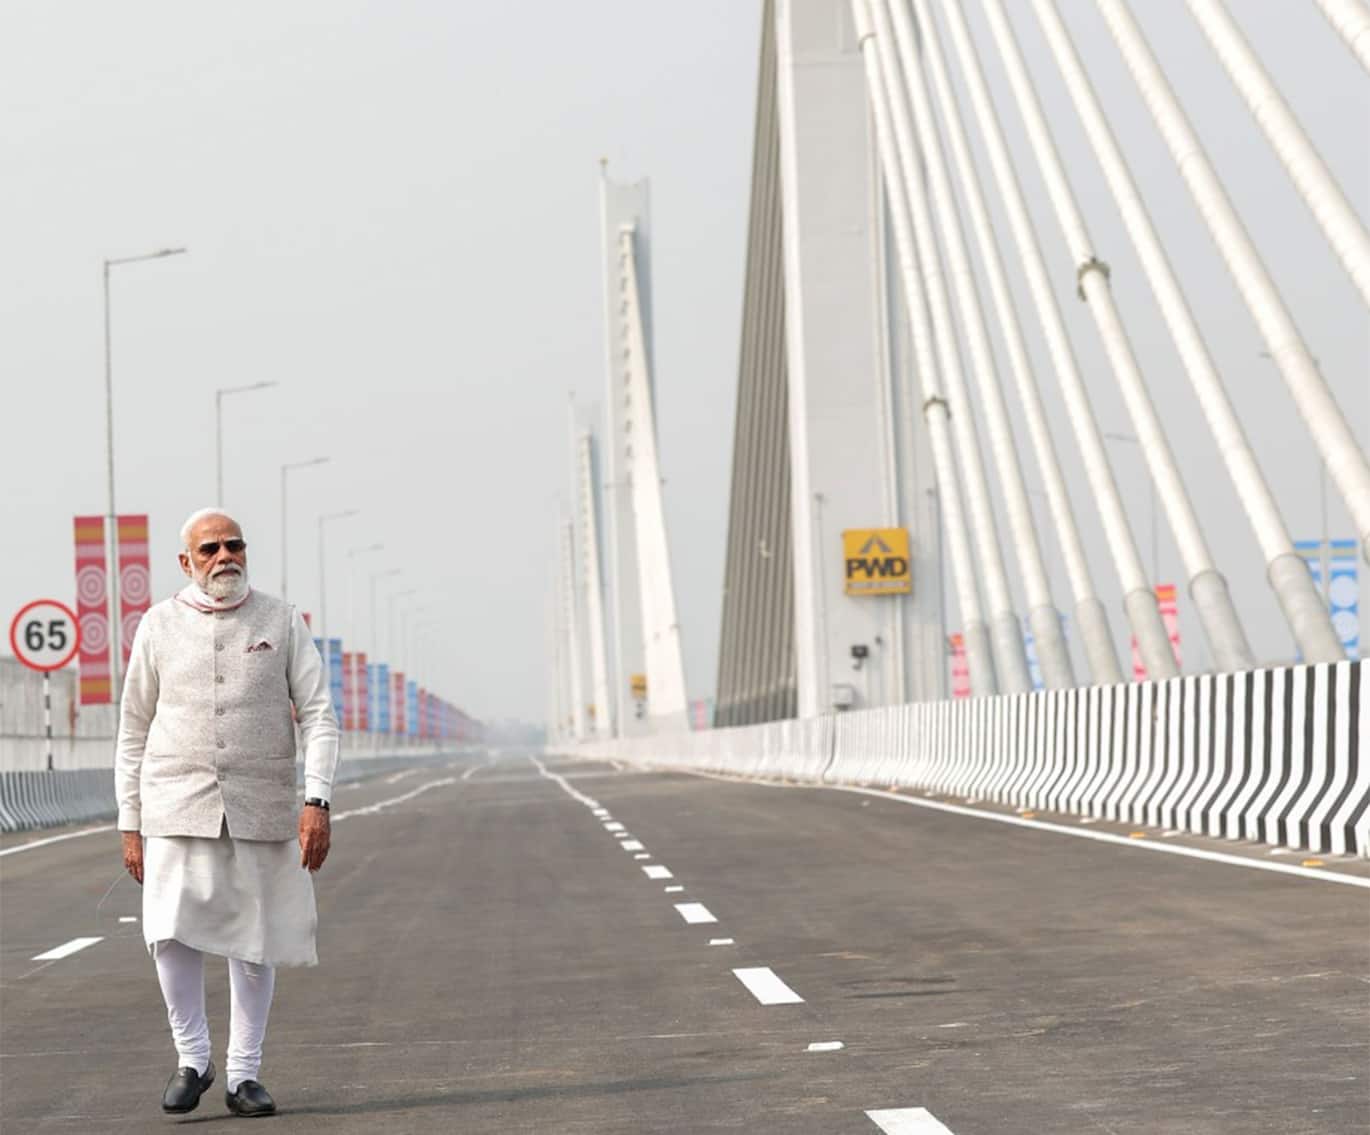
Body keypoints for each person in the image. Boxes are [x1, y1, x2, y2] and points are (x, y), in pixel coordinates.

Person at [116, 507, 339, 1117]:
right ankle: (193, 1058)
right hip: (173, 803)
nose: (225, 558)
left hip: (262, 803)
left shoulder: (282, 620)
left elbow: (319, 714)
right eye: (210, 549)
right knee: (169, 932)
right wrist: (128, 820)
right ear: (186, 563)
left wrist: (316, 798)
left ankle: (243, 1074)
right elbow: (133, 728)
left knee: (254, 939)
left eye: (234, 545)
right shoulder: (158, 626)